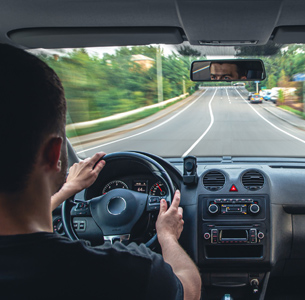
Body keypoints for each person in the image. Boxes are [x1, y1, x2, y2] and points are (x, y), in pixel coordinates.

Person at [0, 43, 201, 300]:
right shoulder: (123, 272)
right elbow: (190, 291)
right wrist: (167, 236)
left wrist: (67, 192)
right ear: (54, 154)